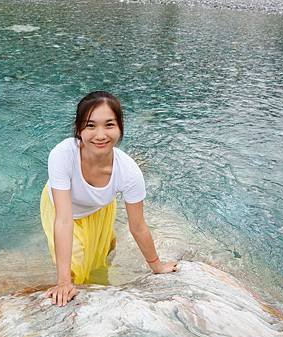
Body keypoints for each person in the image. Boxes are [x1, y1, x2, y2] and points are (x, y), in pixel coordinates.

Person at [40, 91, 179, 307]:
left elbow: (138, 226)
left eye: (109, 125)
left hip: (100, 208)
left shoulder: (129, 172)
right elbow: (64, 220)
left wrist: (157, 266)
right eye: (91, 125)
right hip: (61, 207)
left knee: (102, 259)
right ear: (79, 129)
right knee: (75, 266)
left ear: (120, 127)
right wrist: (63, 282)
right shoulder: (62, 154)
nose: (100, 134)